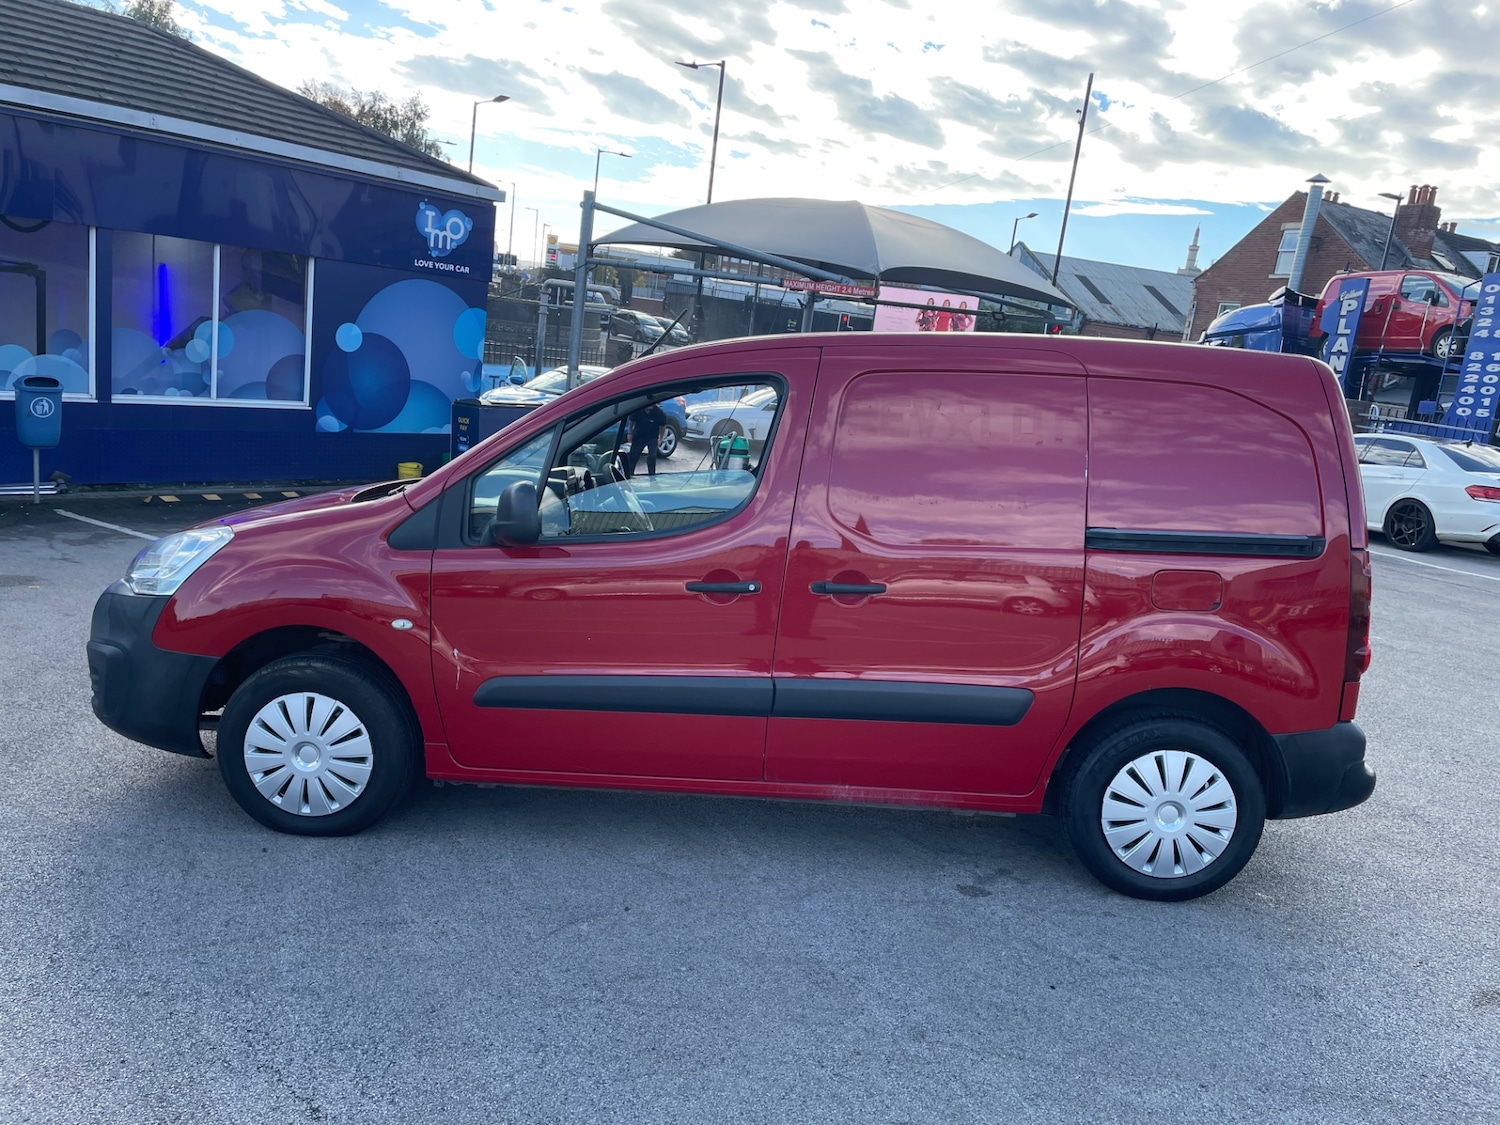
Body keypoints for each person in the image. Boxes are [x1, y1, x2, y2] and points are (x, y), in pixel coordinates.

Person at [624, 401, 667, 478]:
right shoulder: (638, 410)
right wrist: (630, 433)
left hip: (652, 437)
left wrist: (661, 439)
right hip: (639, 436)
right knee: (633, 456)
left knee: (652, 456)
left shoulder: (658, 412)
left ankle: (652, 476)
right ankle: (629, 475)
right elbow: (631, 421)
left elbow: (663, 426)